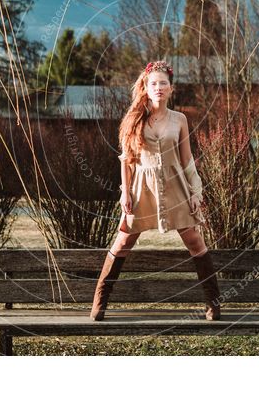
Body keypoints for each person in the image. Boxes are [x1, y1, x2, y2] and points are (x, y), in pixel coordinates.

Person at [89, 60, 221, 321]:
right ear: (145, 88)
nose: (158, 87)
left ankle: (213, 305)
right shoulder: (134, 119)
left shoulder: (180, 119)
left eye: (163, 83)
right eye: (154, 84)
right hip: (141, 188)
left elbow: (187, 160)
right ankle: (99, 302)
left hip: (176, 186)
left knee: (195, 240)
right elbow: (126, 160)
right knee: (124, 240)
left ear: (171, 89)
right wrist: (125, 193)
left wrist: (196, 193)